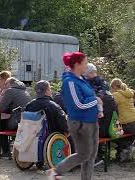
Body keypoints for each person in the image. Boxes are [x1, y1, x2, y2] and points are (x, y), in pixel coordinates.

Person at [47, 52, 101, 180]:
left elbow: (89, 97)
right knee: (84, 154)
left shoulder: (82, 80)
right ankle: (55, 171)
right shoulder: (70, 81)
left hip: (91, 121)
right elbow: (79, 104)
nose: (87, 65)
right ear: (77, 64)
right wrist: (96, 101)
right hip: (80, 123)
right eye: (85, 63)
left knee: (91, 155)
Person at [0, 77, 31, 158]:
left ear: (10, 84)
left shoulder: (10, 91)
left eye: (6, 84)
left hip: (18, 122)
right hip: (27, 122)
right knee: (5, 121)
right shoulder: (24, 91)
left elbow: (1, 108)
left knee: (1, 124)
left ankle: (6, 152)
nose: (4, 86)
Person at [110, 78, 135, 162]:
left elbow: (111, 107)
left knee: (113, 134)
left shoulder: (116, 95)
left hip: (129, 124)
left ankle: (124, 151)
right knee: (124, 135)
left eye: (111, 88)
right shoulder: (128, 93)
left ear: (114, 87)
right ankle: (126, 149)